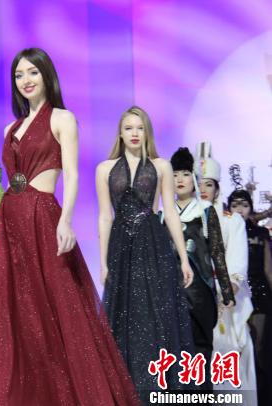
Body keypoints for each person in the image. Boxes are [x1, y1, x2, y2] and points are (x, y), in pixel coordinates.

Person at [0, 48, 139, 406]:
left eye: (32, 72)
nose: (25, 80)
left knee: (59, 309)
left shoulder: (62, 119)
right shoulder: (10, 129)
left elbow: (72, 174)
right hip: (10, 221)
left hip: (43, 216)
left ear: (46, 75)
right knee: (16, 315)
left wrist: (66, 219)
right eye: (19, 75)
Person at [97, 106, 194, 401]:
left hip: (153, 245)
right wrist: (102, 263)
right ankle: (125, 392)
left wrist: (184, 258)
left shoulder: (161, 166)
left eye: (140, 128)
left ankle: (156, 389)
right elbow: (105, 216)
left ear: (147, 131)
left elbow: (170, 213)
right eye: (129, 128)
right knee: (123, 316)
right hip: (120, 248)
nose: (135, 133)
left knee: (156, 315)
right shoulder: (104, 169)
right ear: (120, 133)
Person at [194, 142, 256, 402]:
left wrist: (226, 292)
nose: (203, 189)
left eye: (209, 184)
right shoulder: (185, 218)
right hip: (192, 299)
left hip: (223, 301)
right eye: (199, 183)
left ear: (217, 188)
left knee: (225, 359)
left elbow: (237, 263)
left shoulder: (232, 221)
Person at [170, 147, 235, 390]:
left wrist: (226, 291)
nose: (180, 179)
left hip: (201, 295)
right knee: (175, 355)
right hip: (171, 293)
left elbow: (217, 252)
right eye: (175, 174)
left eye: (185, 174)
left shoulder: (206, 211)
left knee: (201, 352)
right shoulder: (163, 214)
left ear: (194, 179)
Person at [228, 189, 272, 405]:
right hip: (233, 297)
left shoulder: (260, 234)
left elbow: (268, 269)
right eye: (235, 205)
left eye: (244, 205)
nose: (240, 210)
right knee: (235, 348)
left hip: (259, 296)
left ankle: (262, 397)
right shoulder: (223, 229)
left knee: (260, 348)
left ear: (251, 209)